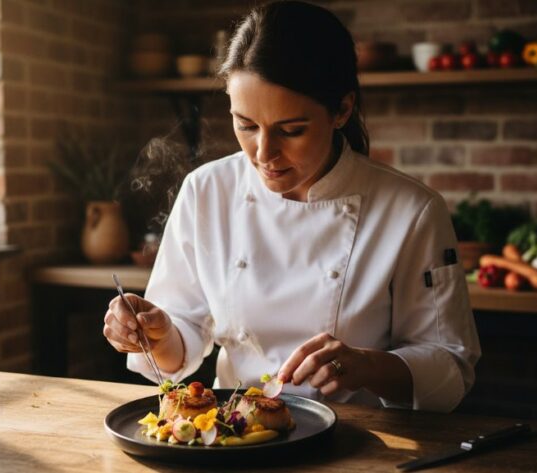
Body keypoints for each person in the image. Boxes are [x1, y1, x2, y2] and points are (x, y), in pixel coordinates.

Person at [103, 0, 480, 412]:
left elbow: (450, 367)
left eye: (291, 130)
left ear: (342, 109)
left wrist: (367, 366)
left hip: (362, 443)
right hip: (237, 432)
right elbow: (180, 343)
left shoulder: (411, 211)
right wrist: (155, 333)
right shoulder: (206, 191)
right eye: (245, 125)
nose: (264, 153)